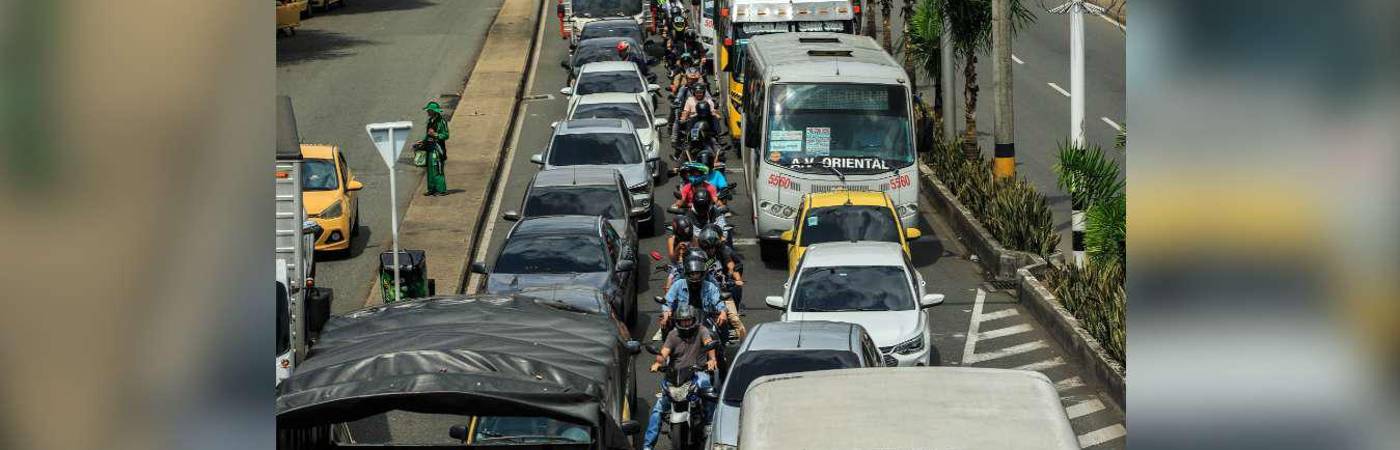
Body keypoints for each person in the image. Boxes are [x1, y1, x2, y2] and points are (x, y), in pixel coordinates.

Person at [643, 302, 718, 450]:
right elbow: (664, 352)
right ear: (677, 322)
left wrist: (712, 360)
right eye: (682, 321)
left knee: (708, 389)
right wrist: (658, 362)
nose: (685, 323)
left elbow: (709, 344)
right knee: (658, 409)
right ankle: (647, 446)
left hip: (697, 372)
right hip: (675, 376)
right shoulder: (673, 334)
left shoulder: (702, 330)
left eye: (688, 320)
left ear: (693, 320)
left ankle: (709, 424)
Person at [659, 254, 726, 331]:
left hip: (705, 320)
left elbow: (718, 301)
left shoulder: (710, 286)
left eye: (697, 273)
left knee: (723, 322)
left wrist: (723, 312)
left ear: (702, 273)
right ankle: (666, 342)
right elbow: (667, 302)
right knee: (664, 322)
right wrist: (666, 312)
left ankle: (724, 342)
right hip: (683, 320)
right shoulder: (678, 284)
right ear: (687, 273)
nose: (695, 276)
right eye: (692, 274)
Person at [421, 101, 450, 196]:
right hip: (430, 148)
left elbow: (446, 135)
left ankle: (441, 189)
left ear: (433, 111)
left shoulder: (442, 122)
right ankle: (431, 189)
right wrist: (422, 141)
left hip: (438, 149)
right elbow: (428, 134)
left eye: (429, 110)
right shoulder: (430, 121)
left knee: (438, 169)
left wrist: (435, 134)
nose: (428, 112)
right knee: (430, 170)